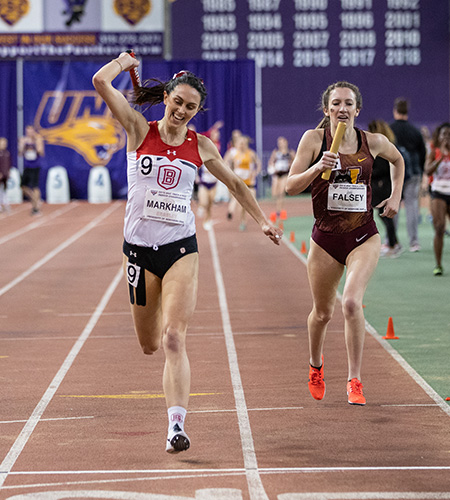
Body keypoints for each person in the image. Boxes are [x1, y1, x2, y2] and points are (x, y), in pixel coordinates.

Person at [92, 53, 282, 453]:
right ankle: (158, 312)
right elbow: (100, 82)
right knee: (150, 345)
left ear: (198, 111)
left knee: (174, 338)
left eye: (190, 107)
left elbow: (236, 184)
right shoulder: (139, 129)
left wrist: (262, 219)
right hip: (140, 253)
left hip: (181, 249)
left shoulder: (202, 145)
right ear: (166, 97)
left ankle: (176, 426)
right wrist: (123, 60)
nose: (181, 111)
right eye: (177, 102)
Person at [286, 81, 404, 405]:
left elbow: (398, 160)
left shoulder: (373, 142)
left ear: (357, 110)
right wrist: (317, 168)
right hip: (325, 239)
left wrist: (396, 195)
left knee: (351, 302)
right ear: (326, 109)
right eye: (335, 103)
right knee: (322, 314)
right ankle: (315, 365)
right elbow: (289, 186)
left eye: (348, 103)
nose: (342, 109)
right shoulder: (314, 139)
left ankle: (355, 379)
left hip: (363, 234)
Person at [390, 98, 427, 252]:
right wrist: (421, 171)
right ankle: (414, 243)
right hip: (413, 173)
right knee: (412, 206)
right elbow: (423, 153)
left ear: (395, 111)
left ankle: (392, 241)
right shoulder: (415, 131)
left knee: (393, 205)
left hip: (395, 173)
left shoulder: (389, 130)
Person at [368, 120, 403, 257]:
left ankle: (393, 245)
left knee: (385, 215)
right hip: (383, 184)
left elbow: (382, 169)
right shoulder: (386, 146)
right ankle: (394, 243)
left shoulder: (381, 149)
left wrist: (368, 173)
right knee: (383, 215)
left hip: (382, 186)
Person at [424, 122, 450, 276]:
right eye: (443, 134)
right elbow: (427, 170)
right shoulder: (434, 151)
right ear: (439, 137)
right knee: (439, 227)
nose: (446, 137)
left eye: (449, 135)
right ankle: (438, 264)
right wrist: (442, 158)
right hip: (438, 191)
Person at [227, 135, 261, 231]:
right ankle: (242, 221)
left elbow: (258, 164)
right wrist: (231, 172)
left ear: (245, 144)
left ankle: (249, 219)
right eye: (240, 144)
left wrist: (255, 173)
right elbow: (228, 162)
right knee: (241, 205)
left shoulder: (251, 154)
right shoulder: (235, 154)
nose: (241, 146)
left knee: (250, 202)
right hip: (239, 183)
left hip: (249, 182)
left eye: (243, 144)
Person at [19, 125, 45, 215]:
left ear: (33, 131)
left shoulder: (38, 139)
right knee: (23, 186)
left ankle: (36, 207)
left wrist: (36, 145)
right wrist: (22, 145)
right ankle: (35, 200)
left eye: (30, 131)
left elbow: (41, 152)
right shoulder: (23, 140)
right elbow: (20, 154)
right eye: (27, 131)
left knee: (35, 187)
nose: (29, 133)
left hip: (35, 166)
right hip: (27, 166)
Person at [267, 136, 295, 219]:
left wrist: (291, 166)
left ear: (286, 143)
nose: (281, 144)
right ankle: (275, 210)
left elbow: (295, 162)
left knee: (281, 193)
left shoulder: (290, 153)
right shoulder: (276, 152)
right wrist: (272, 167)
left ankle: (280, 211)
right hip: (276, 173)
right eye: (279, 143)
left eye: (282, 142)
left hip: (285, 173)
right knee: (274, 193)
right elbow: (271, 161)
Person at [0, 137, 11, 213]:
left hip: (5, 174)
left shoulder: (7, 153)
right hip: (0, 174)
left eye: (5, 143)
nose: (4, 145)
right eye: (2, 143)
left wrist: (9, 171)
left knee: (4, 189)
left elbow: (9, 163)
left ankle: (6, 203)